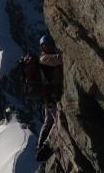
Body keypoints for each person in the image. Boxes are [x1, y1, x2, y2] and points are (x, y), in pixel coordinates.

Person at [36, 34, 64, 162]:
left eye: (51, 44)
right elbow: (58, 59)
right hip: (51, 95)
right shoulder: (44, 59)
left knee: (48, 121)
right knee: (57, 120)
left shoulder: (46, 57)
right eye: (47, 45)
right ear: (42, 47)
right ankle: (46, 145)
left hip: (49, 95)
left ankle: (40, 147)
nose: (50, 47)